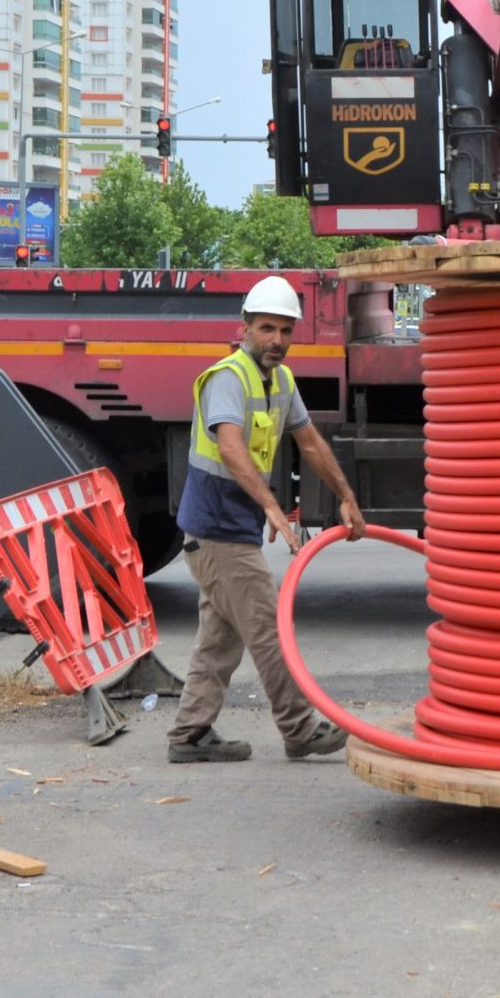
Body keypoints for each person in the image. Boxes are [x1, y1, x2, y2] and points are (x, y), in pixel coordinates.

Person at [166, 275, 368, 762]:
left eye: (285, 331)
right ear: (245, 328)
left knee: (221, 636)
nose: (276, 340)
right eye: (266, 329)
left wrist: (346, 495)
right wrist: (273, 508)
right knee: (268, 630)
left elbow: (311, 442)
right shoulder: (227, 379)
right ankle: (299, 729)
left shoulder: (281, 380)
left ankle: (190, 734)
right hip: (216, 531)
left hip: (230, 529)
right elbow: (232, 447)